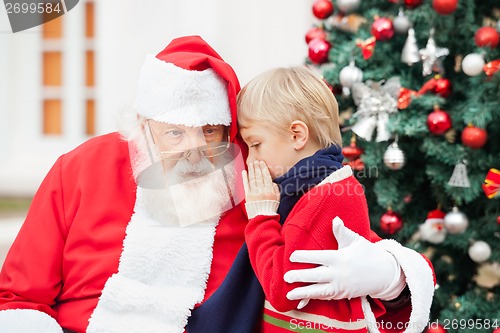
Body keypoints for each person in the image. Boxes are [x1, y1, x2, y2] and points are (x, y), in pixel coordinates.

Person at [0, 36, 434, 333]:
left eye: (210, 132)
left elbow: (354, 252)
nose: (195, 151)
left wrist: (390, 278)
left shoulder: (259, 176)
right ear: (143, 128)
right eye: (175, 134)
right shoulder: (82, 169)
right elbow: (18, 297)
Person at [238, 65, 403, 332]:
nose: (250, 159)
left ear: (297, 135)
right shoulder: (315, 186)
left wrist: (260, 217)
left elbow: (282, 289)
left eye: (255, 144)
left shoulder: (324, 196)